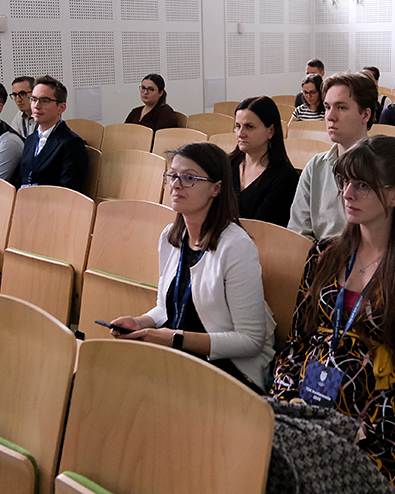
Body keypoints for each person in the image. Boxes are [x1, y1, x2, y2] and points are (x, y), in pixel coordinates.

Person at [272, 136, 395, 494]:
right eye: (345, 181)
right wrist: (287, 398)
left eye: (363, 185)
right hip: (309, 415)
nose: (347, 193)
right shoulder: (324, 255)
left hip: (381, 435)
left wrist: (362, 428)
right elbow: (297, 344)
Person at [111, 142, 275, 390]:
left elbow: (250, 341)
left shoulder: (236, 246)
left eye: (189, 178)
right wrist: (140, 323)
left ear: (216, 188)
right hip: (179, 355)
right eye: (172, 176)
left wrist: (175, 338)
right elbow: (164, 308)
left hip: (228, 369)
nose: (176, 185)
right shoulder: (171, 237)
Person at [288, 72, 376, 242]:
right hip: (319, 256)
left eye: (341, 108)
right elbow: (298, 233)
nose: (329, 116)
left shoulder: (383, 166)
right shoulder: (315, 167)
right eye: (327, 107)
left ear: (365, 115)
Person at [230, 96, 299, 227]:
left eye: (249, 127)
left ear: (270, 131)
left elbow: (262, 229)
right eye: (238, 126)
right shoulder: (226, 165)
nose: (240, 133)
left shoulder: (285, 177)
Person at [14, 75, 88, 192]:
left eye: (44, 101)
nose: (36, 106)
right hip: (25, 200)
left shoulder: (71, 143)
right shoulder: (30, 139)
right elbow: (19, 181)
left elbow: (68, 191)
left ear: (61, 108)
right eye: (33, 99)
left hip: (51, 201)